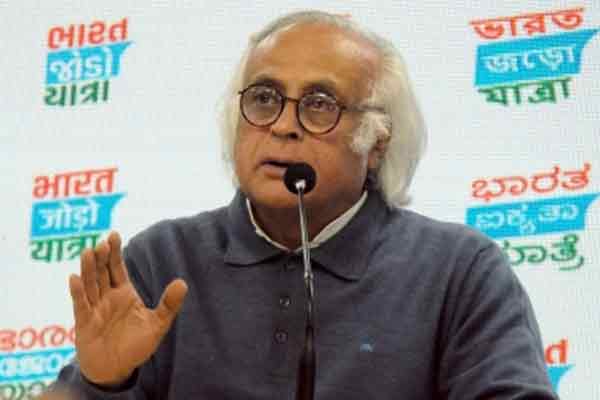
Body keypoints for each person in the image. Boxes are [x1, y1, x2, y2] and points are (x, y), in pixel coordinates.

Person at [50, 10, 557, 400]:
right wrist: (101, 383)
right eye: (264, 98)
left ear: (376, 140)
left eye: (319, 105)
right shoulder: (163, 260)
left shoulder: (459, 270)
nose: (283, 125)